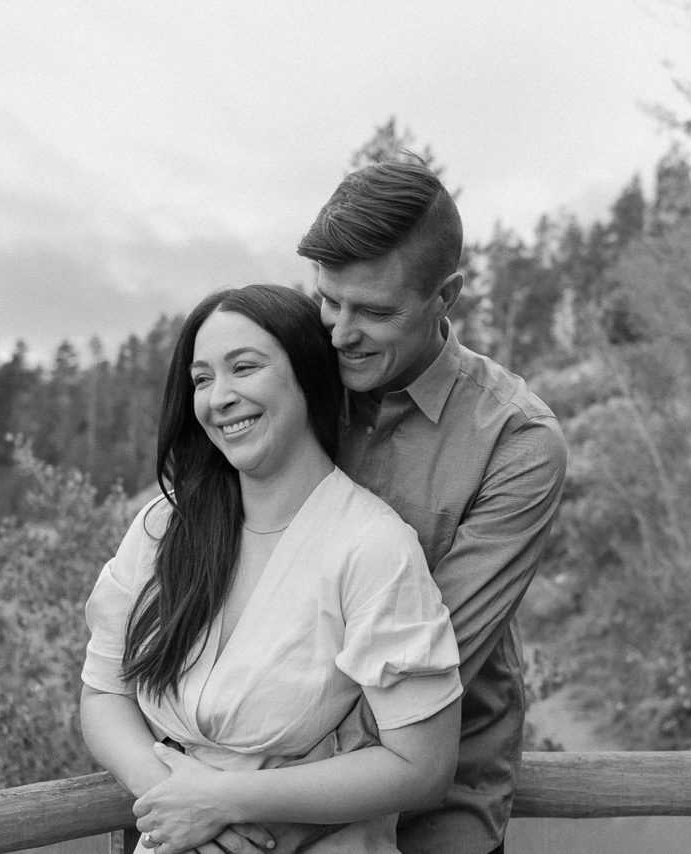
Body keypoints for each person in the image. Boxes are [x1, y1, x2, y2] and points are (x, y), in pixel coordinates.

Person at [80, 284, 464, 854]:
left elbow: (423, 766)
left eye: (244, 368)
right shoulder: (166, 526)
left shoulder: (370, 546)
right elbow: (102, 691)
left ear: (308, 375)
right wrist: (175, 799)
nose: (220, 397)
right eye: (202, 378)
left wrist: (227, 802)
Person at [290, 157, 569, 854]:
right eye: (328, 300)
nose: (338, 333)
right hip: (257, 767)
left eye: (374, 312)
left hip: (435, 810)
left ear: (447, 295)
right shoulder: (294, 380)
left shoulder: (516, 442)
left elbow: (429, 661)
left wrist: (258, 800)